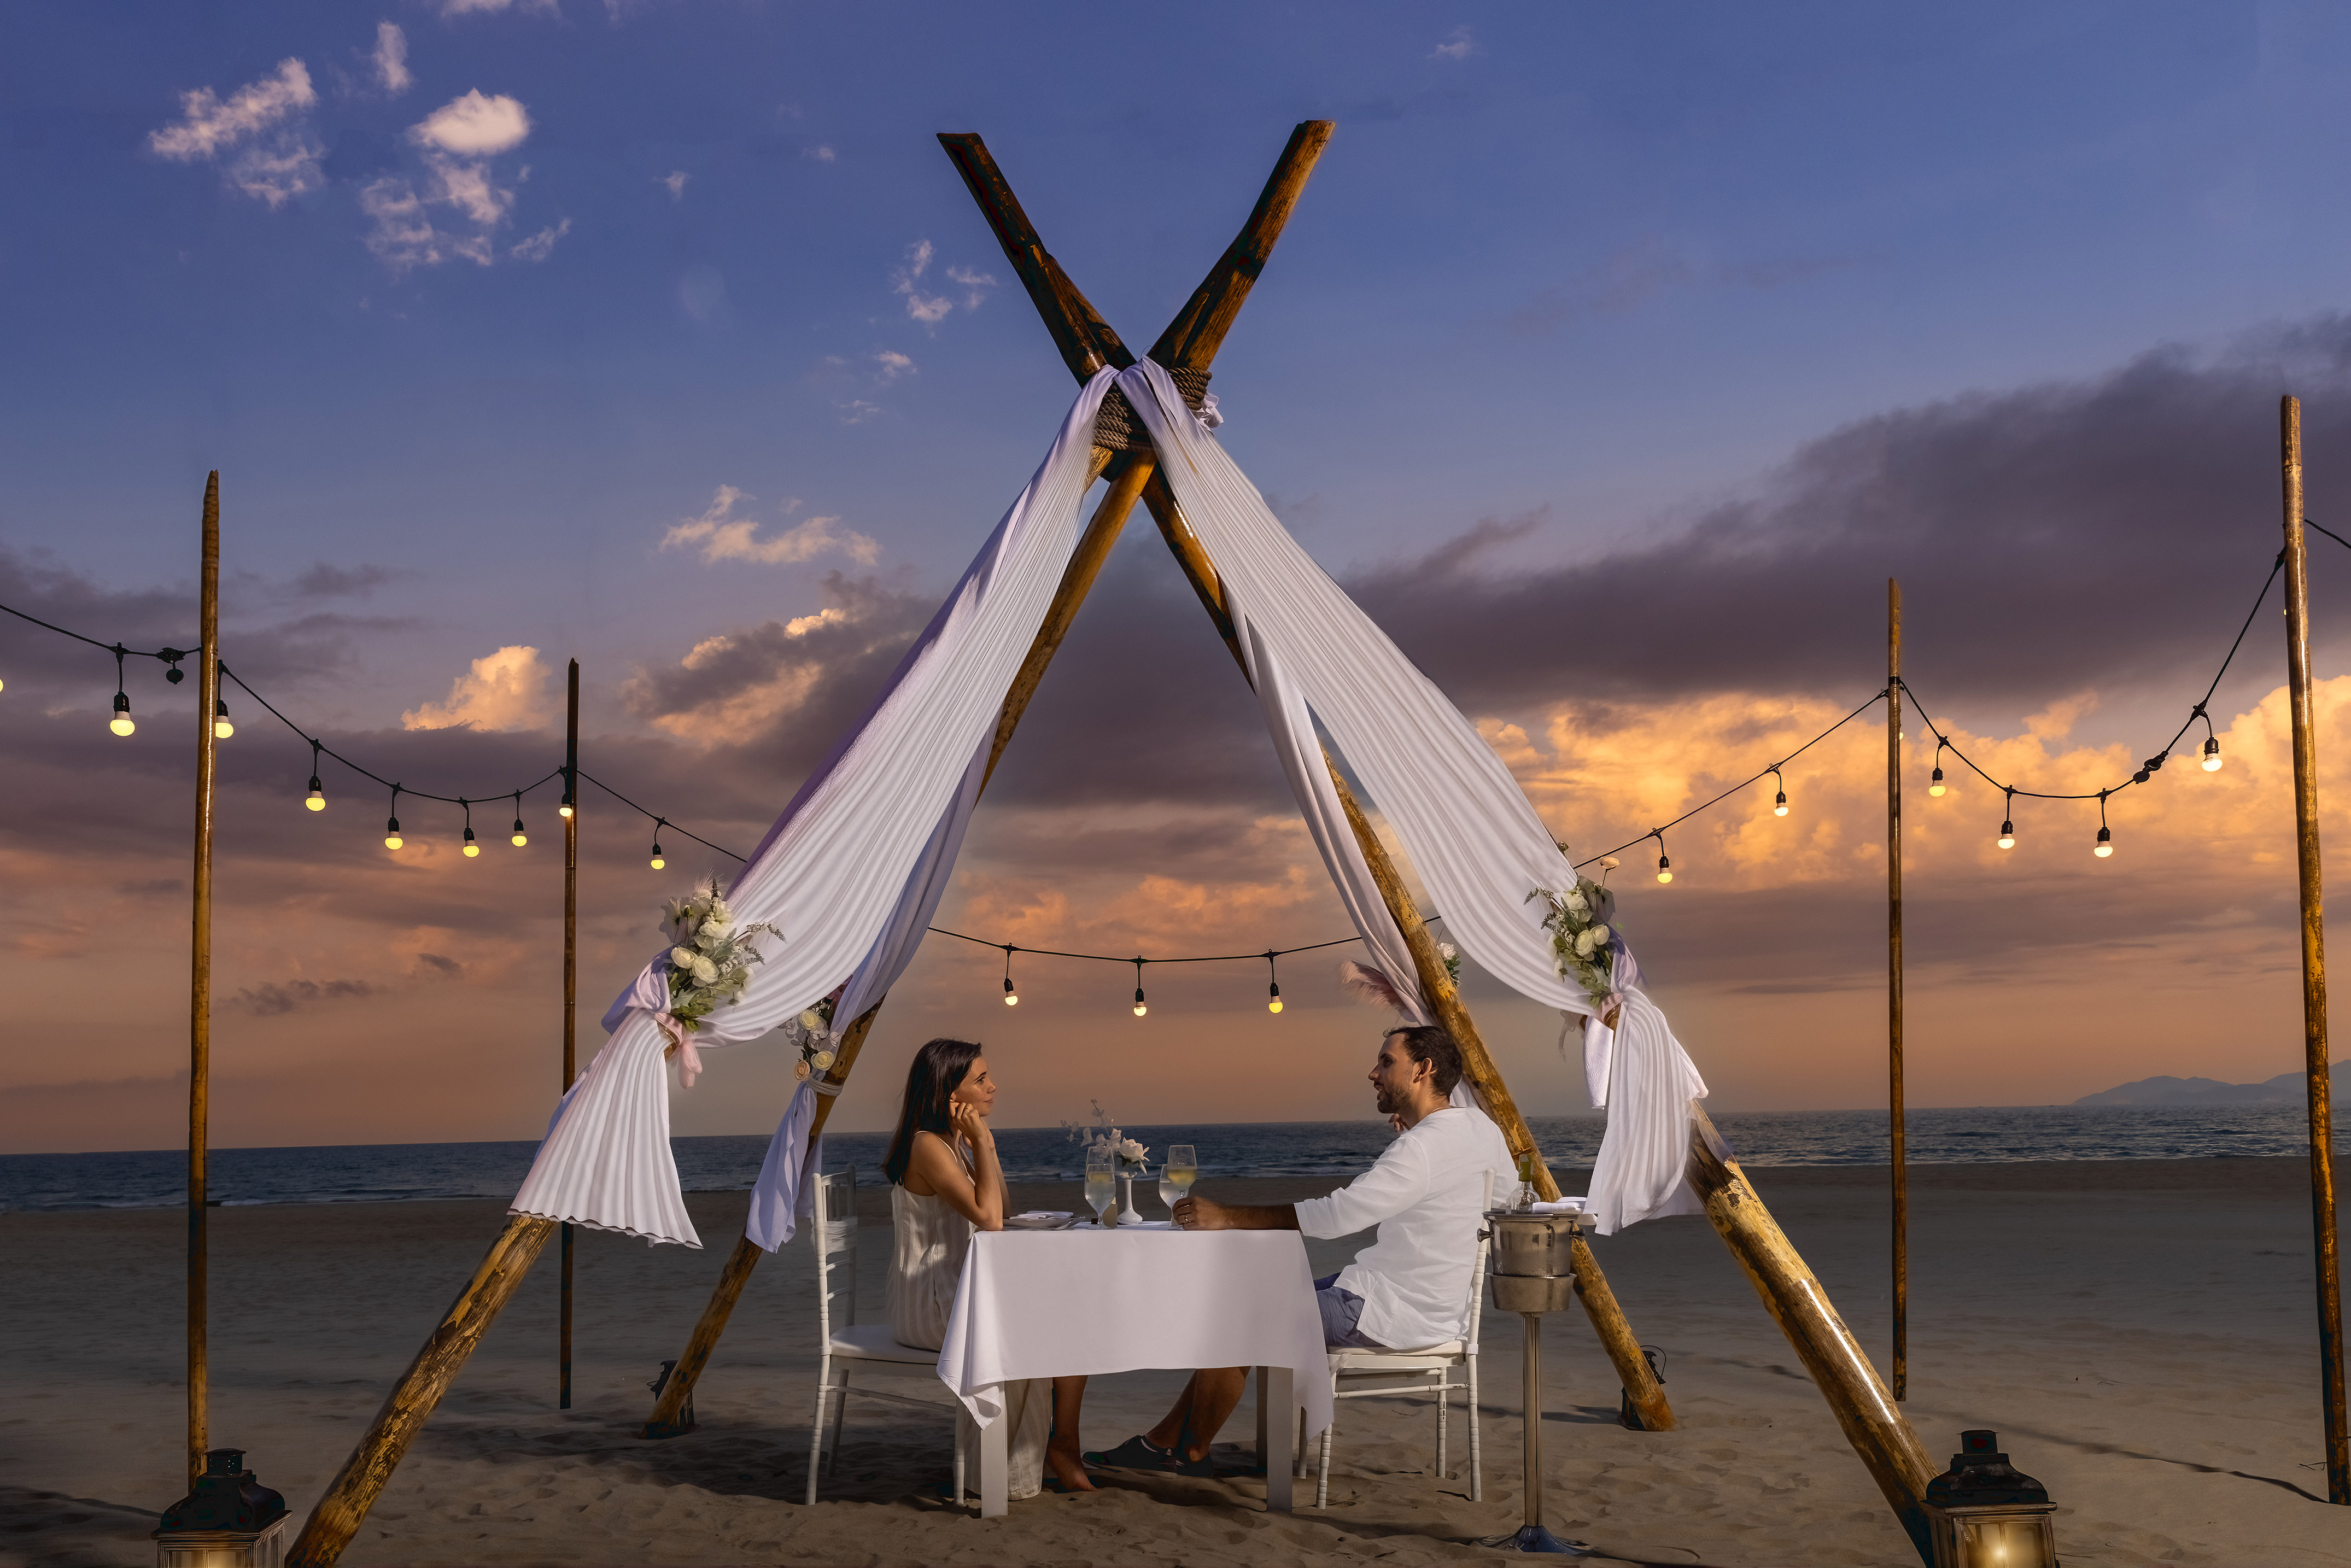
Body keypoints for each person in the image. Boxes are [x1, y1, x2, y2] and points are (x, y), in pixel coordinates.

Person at [1085, 1024, 1512, 1475]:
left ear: (1423, 1070)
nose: (1373, 1072)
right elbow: (1502, 1202)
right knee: (1251, 1302)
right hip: (1441, 1305)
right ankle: (1162, 1443)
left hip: (1388, 1309)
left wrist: (1226, 1215)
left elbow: (1336, 1217)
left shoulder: (1422, 1148)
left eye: (1387, 1062)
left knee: (1242, 1318)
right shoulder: (1481, 1130)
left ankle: (1189, 1453)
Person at [883, 1038, 1095, 1495]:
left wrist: (984, 1144)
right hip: (933, 1305)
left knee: (1072, 1320)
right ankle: (1012, 1468)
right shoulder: (927, 1146)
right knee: (1046, 1326)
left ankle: (1060, 1446)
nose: (993, 1086)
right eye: (980, 1079)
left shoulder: (953, 1143)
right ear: (948, 1093)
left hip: (959, 1292)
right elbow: (992, 1220)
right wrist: (982, 1138)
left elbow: (1001, 1206)